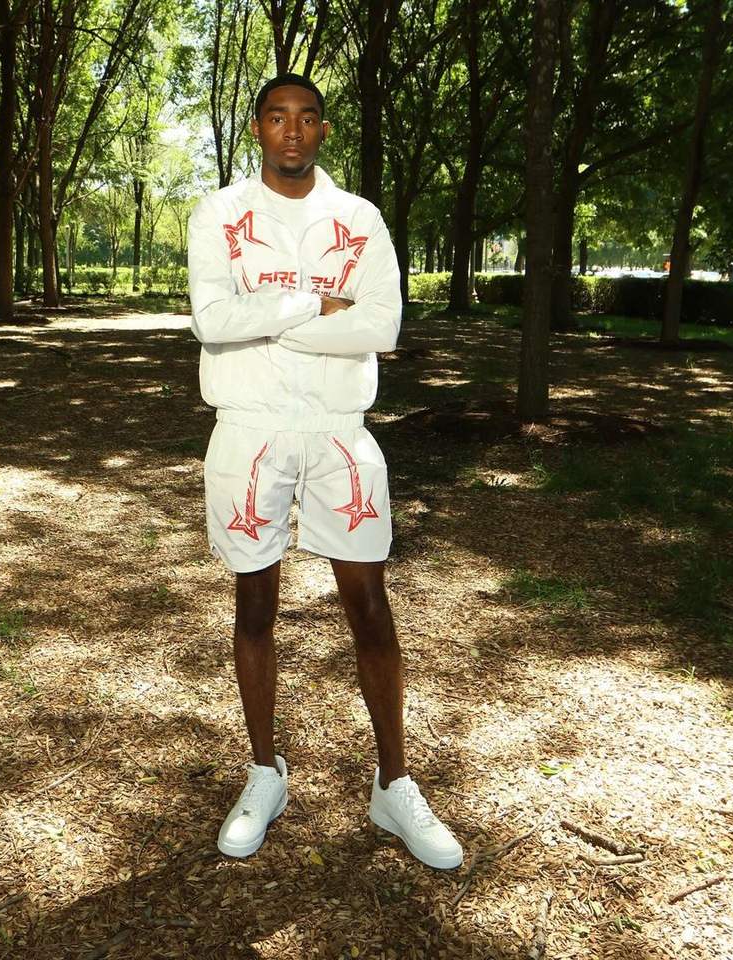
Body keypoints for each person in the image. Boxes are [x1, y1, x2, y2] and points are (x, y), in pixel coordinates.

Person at [187, 73, 463, 870]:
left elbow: (383, 328)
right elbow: (211, 319)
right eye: (277, 117)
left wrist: (268, 320)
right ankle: (264, 773)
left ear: (324, 130)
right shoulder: (219, 214)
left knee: (370, 605)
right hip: (249, 432)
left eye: (307, 118)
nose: (292, 131)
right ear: (258, 128)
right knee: (254, 604)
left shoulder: (358, 219)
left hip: (341, 434)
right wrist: (316, 306)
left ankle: (394, 783)